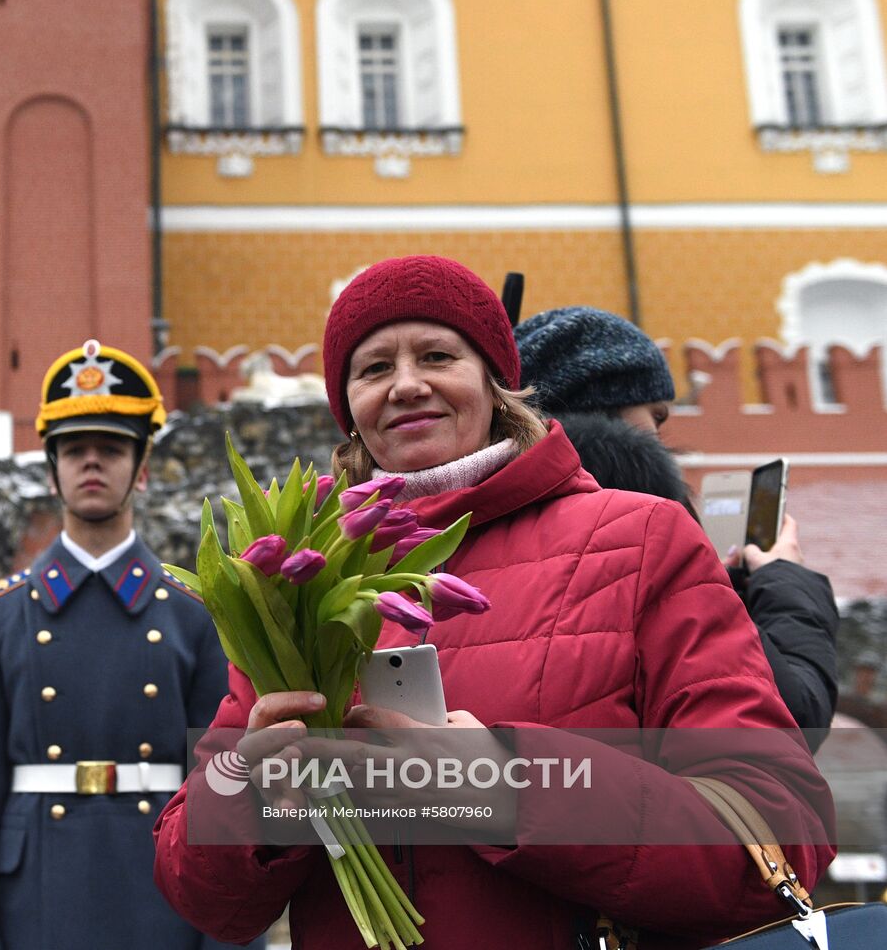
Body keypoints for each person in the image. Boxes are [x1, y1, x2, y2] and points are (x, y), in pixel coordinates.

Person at [153, 256, 833, 949]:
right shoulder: (298, 586)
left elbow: (778, 832)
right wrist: (253, 797)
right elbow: (203, 898)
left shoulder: (640, 542)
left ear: (496, 384)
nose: (408, 385)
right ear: (348, 407)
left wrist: (500, 784)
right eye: (374, 368)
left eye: (438, 355)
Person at [0, 339, 255, 950]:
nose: (91, 463)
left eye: (110, 449)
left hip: (163, 891)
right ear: (51, 469)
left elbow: (223, 785)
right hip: (33, 900)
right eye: (74, 450)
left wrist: (229, 933)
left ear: (141, 469)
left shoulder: (197, 616)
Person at [516, 306, 840, 749]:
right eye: (657, 416)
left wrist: (723, 586)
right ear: (610, 410)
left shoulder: (493, 529)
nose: (661, 434)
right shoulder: (648, 537)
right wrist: (785, 578)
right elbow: (793, 718)